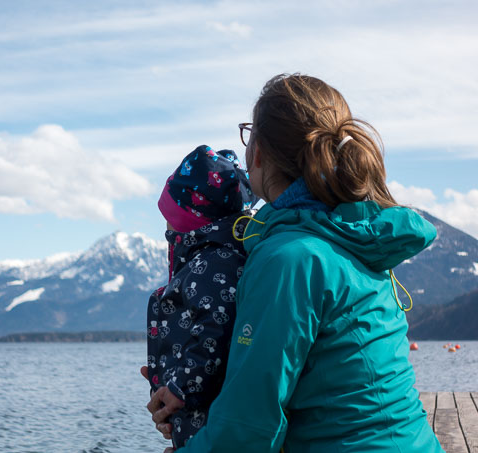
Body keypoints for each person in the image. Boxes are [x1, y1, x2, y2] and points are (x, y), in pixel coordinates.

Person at [146, 74, 444, 452]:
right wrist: (193, 385)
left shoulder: (290, 259)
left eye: (248, 132)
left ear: (259, 152)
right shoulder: (350, 236)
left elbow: (250, 425)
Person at [145, 144, 258, 449]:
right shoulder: (202, 262)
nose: (166, 225)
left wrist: (179, 387)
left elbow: (216, 329)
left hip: (206, 415)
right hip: (192, 415)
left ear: (192, 219)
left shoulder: (213, 263)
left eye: (171, 215)